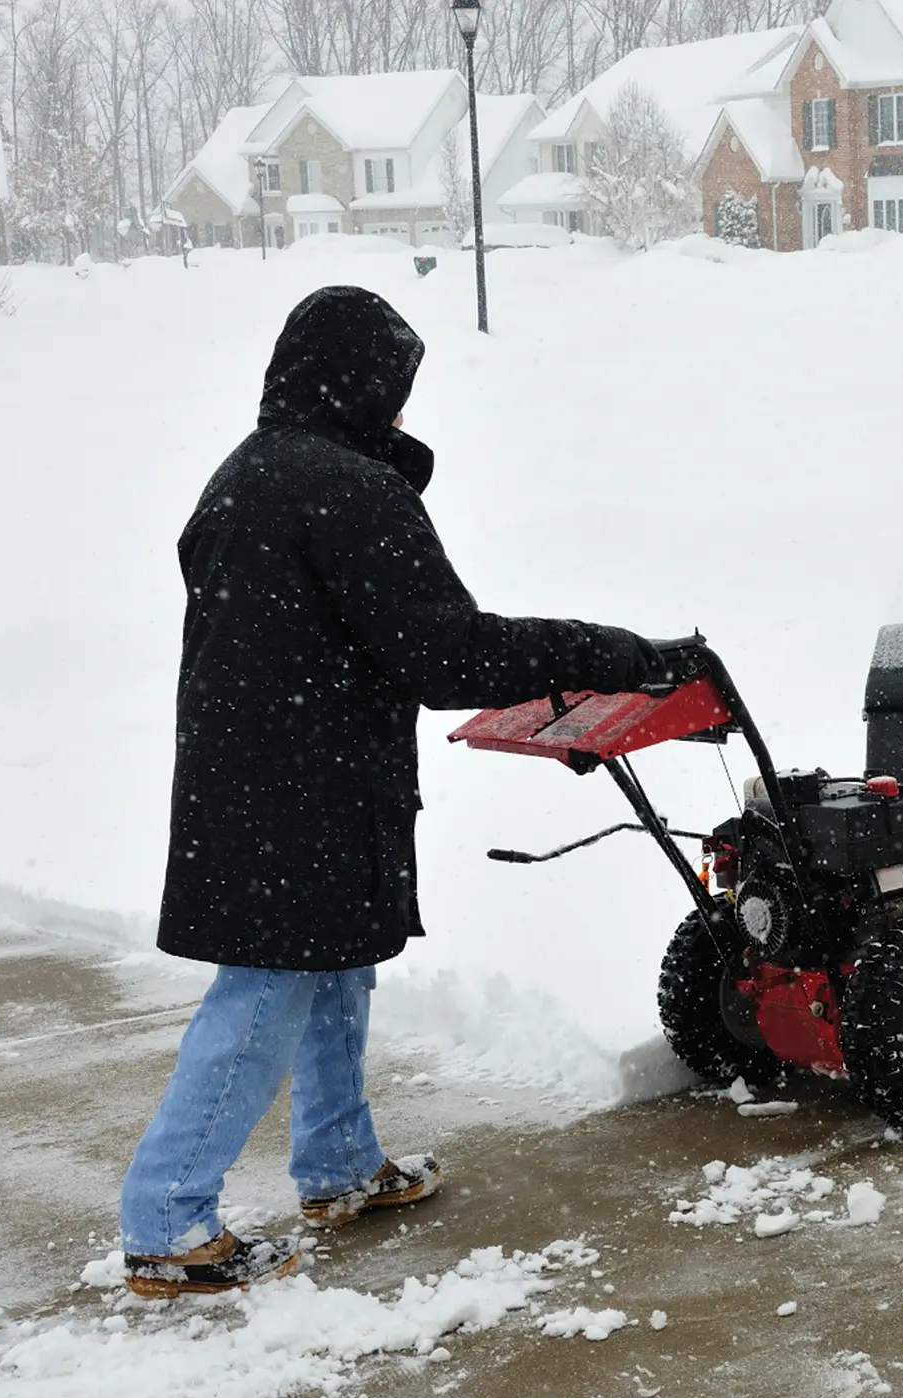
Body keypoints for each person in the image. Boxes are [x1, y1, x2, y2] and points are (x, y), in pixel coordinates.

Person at [119, 286, 664, 1298]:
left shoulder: (247, 473)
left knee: (336, 969)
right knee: (267, 990)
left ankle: (337, 1164)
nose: (405, 407)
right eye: (394, 385)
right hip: (303, 787)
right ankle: (166, 1219)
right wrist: (606, 651)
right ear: (359, 384)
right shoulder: (347, 489)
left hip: (268, 778)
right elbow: (447, 653)